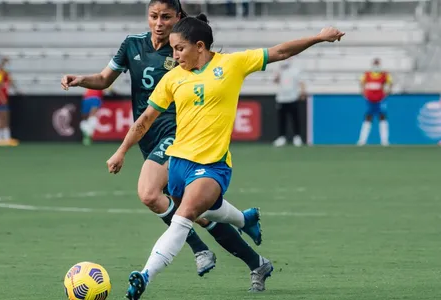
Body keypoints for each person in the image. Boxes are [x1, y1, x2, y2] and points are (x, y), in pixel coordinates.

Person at [105, 14, 344, 300]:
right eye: (173, 48)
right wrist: (122, 150)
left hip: (213, 166)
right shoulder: (172, 78)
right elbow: (145, 118)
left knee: (184, 215)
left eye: (180, 48)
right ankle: (246, 226)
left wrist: (318, 37)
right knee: (204, 211)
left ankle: (145, 276)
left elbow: (280, 51)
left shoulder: (231, 64)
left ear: (200, 46)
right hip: (178, 163)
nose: (174, 54)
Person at [61, 0, 275, 290]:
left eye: (165, 17)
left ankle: (191, 253)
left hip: (177, 136)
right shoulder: (133, 45)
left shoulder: (185, 48)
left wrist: (120, 151)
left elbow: (217, 66)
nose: (159, 23)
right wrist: (80, 80)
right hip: (148, 137)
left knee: (152, 195)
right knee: (199, 212)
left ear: (178, 18)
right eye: (153, 16)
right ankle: (253, 256)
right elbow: (103, 79)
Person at [357, 58, 393, 146]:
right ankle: (362, 140)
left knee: (382, 117)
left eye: (377, 64)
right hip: (370, 100)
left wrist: (388, 91)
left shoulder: (384, 75)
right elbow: (361, 82)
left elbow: (390, 83)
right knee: (368, 118)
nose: (376, 66)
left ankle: (384, 141)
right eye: (375, 64)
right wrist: (363, 91)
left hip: (380, 100)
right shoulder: (367, 74)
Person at [272, 59, 306, 147]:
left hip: (292, 98)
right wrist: (278, 73)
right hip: (281, 98)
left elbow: (301, 82)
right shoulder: (279, 70)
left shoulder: (295, 70)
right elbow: (275, 81)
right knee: (282, 119)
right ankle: (281, 137)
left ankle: (297, 137)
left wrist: (302, 92)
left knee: (295, 119)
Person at [0, 57, 20, 146]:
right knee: (1, 118)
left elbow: (11, 84)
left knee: (6, 118)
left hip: (4, 99)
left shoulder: (7, 75)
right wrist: (2, 98)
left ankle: (6, 138)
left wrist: (18, 91)